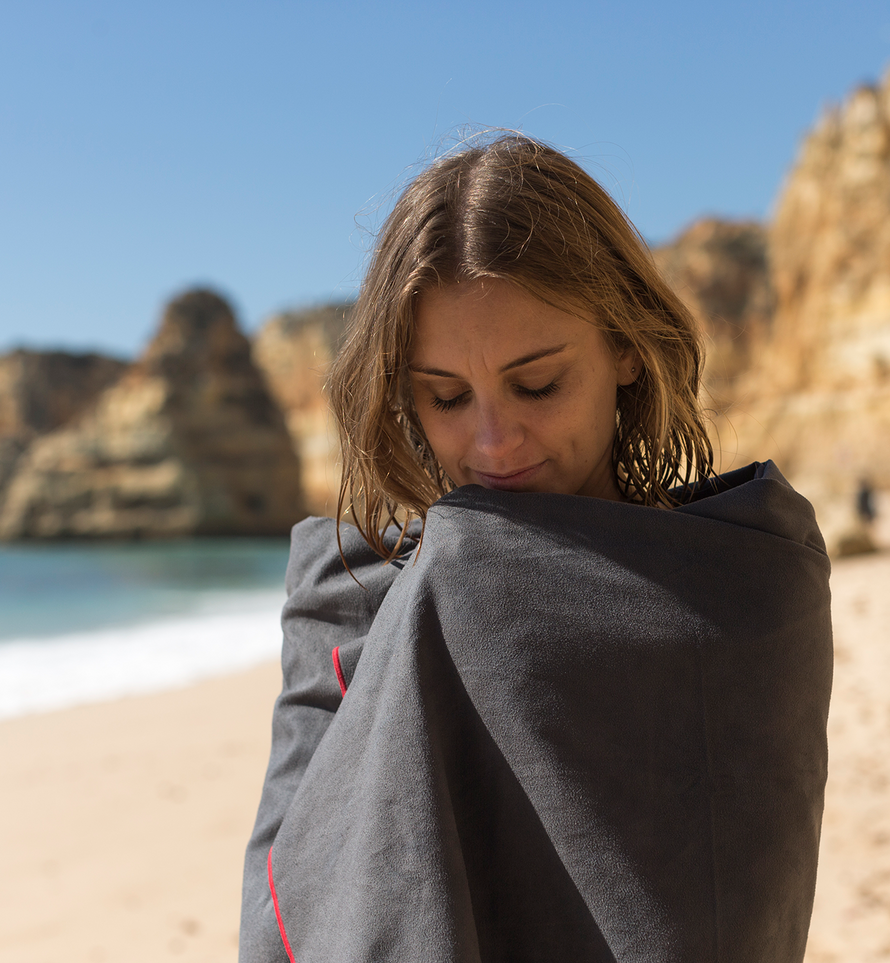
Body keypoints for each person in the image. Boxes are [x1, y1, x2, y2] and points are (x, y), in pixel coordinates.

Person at [240, 134, 833, 963]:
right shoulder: (355, 600)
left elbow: (733, 914)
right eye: (445, 396)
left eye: (537, 383)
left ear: (625, 345)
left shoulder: (741, 577)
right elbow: (282, 918)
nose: (493, 440)